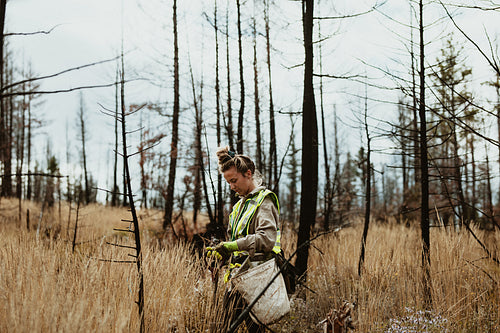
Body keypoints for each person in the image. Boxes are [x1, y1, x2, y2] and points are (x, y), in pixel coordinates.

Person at [208, 146, 282, 333]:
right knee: (221, 326)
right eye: (228, 183)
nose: (232, 187)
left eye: (234, 181)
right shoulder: (238, 207)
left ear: (248, 174)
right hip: (236, 279)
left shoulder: (264, 201)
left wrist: (231, 246)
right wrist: (220, 255)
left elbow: (266, 240)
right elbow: (235, 244)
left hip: (256, 279)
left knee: (253, 330)